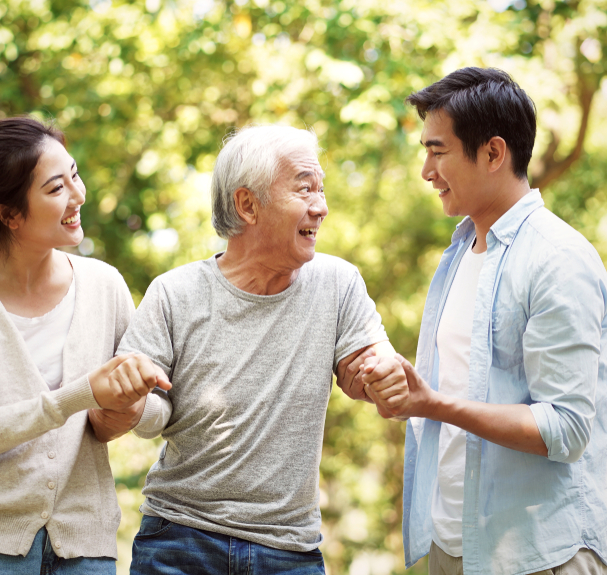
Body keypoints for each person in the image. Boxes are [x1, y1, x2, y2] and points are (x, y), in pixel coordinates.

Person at [110, 125, 408, 575]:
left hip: (289, 551)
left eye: (321, 189)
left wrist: (380, 376)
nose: (321, 206)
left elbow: (364, 366)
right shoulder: (175, 293)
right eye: (304, 188)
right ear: (247, 204)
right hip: (180, 539)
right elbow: (151, 416)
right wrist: (133, 402)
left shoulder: (337, 283)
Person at [385, 68, 607, 575]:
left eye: (438, 151)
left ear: (493, 153)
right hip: (454, 545)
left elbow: (567, 426)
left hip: (537, 554)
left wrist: (434, 404)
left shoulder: (558, 259)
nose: (426, 170)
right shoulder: (459, 255)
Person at [0, 117, 169, 574]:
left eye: (74, 174)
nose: (78, 195)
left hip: (84, 545)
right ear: (9, 215)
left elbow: (155, 413)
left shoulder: (104, 285)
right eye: (56, 189)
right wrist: (79, 395)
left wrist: (130, 408)